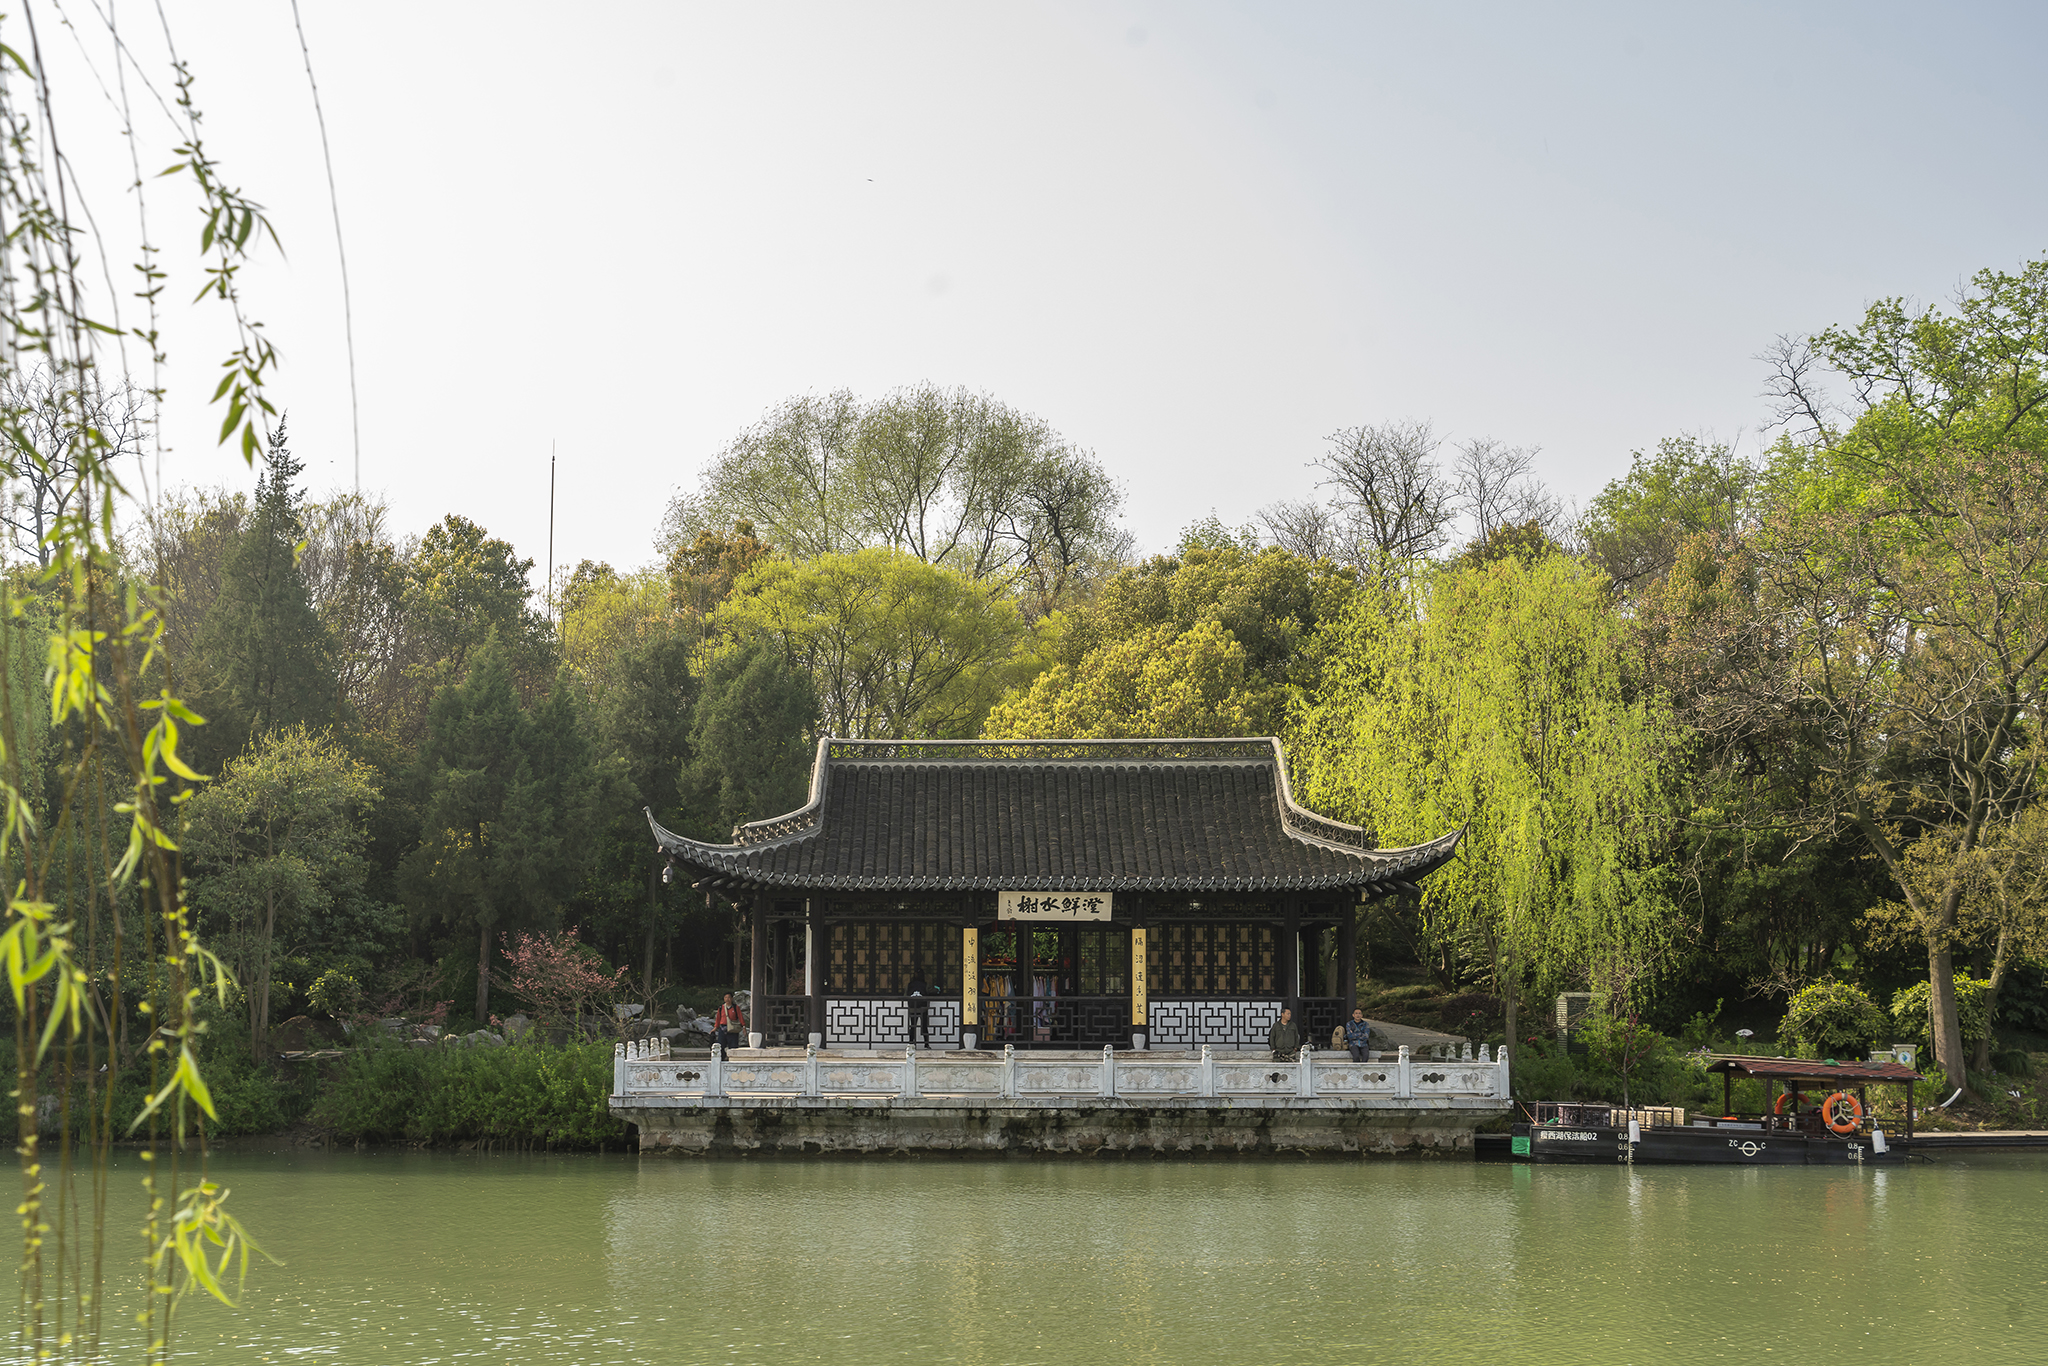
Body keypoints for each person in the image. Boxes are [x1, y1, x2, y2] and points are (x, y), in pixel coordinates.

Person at [906, 971, 931, 1049]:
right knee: (924, 1026)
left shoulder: (910, 984)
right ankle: (926, 1044)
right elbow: (932, 991)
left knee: (913, 1026)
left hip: (913, 1008)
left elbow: (905, 994)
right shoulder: (925, 985)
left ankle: (911, 1043)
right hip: (923, 1008)